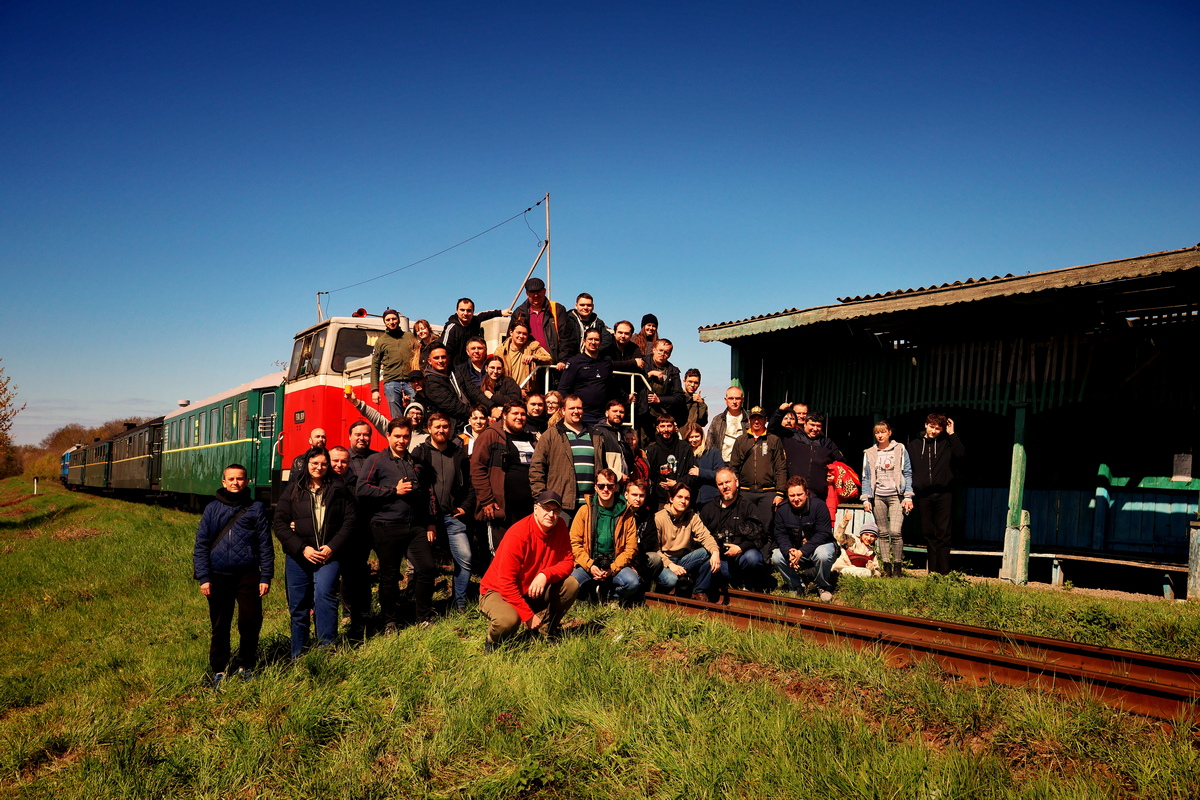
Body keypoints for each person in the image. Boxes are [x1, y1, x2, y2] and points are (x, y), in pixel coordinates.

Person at [193, 464, 273, 686]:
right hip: (218, 575)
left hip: (248, 575)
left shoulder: (256, 508)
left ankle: (245, 664)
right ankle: (219, 669)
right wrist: (204, 577)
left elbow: (265, 544)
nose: (235, 482)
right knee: (220, 625)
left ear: (247, 481)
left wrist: (266, 576)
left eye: (240, 479)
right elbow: (201, 544)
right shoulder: (212, 509)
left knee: (250, 622)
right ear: (224, 482)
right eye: (231, 479)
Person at [356, 419, 438, 632]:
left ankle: (423, 617)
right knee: (389, 575)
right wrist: (394, 491)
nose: (402, 440)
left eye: (406, 436)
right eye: (397, 436)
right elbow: (362, 489)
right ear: (388, 436)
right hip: (386, 526)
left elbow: (428, 494)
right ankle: (390, 621)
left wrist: (430, 522)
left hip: (415, 526)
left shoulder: (417, 464)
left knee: (427, 568)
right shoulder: (376, 460)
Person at [274, 450, 356, 658]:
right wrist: (302, 548)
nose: (319, 467)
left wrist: (332, 547)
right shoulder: (294, 488)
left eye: (323, 464)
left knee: (324, 596)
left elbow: (350, 520)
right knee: (299, 605)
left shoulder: (338, 488)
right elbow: (279, 523)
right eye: (314, 463)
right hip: (299, 556)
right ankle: (298, 653)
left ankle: (326, 650)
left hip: (328, 556)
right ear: (307, 464)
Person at [478, 490, 579, 649]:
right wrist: (528, 616)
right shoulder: (518, 534)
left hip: (531, 589)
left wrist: (545, 575)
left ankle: (547, 631)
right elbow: (506, 583)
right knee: (508, 620)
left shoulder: (559, 526)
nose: (551, 514)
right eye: (546, 509)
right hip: (498, 591)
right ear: (535, 509)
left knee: (571, 584)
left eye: (555, 510)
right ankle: (493, 641)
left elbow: (568, 561)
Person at [412, 413, 476, 611]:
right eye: (437, 426)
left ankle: (459, 603)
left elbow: (471, 484)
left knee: (465, 559)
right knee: (424, 565)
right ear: (429, 429)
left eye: (445, 426)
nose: (441, 430)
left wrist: (465, 506)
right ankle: (422, 605)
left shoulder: (458, 454)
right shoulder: (419, 453)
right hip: (426, 519)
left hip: (452, 517)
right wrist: (426, 518)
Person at [471, 402, 537, 552]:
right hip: (500, 509)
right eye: (515, 413)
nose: (519, 417)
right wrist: (487, 499)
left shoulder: (530, 438)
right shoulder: (490, 435)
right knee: (501, 553)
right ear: (505, 415)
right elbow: (477, 469)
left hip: (526, 509)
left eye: (523, 414)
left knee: (523, 552)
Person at [569, 468, 641, 603]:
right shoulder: (585, 511)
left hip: (615, 565)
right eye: (601, 486)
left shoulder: (627, 514)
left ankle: (611, 597)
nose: (605, 489)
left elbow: (631, 548)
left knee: (632, 583)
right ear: (596, 487)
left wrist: (612, 568)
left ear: (616, 487)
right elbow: (574, 543)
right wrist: (590, 565)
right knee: (570, 583)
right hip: (589, 563)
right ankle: (589, 595)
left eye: (610, 486)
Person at [529, 395, 599, 527]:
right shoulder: (550, 435)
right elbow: (536, 468)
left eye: (579, 408)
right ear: (562, 410)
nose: (576, 411)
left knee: (586, 540)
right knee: (560, 538)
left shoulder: (595, 435)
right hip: (561, 504)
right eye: (572, 408)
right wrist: (542, 497)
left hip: (590, 504)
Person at [908, 413, 965, 576]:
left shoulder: (946, 443)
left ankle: (944, 572)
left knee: (944, 533)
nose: (934, 431)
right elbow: (907, 469)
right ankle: (932, 572)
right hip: (923, 495)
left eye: (938, 428)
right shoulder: (914, 445)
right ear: (926, 425)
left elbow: (961, 454)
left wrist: (952, 433)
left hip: (944, 494)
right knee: (929, 533)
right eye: (932, 427)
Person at [700, 467, 769, 589]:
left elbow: (760, 535)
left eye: (728, 482)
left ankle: (748, 584)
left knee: (753, 558)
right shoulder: (708, 509)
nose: (725, 487)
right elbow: (700, 536)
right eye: (720, 484)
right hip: (719, 559)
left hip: (741, 557)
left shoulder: (748, 507)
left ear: (736, 482)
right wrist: (714, 551)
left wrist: (740, 548)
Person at [771, 476, 837, 602]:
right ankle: (796, 585)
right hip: (796, 550)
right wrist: (789, 551)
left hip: (817, 548)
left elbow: (824, 533)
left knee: (823, 554)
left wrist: (802, 551)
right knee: (777, 556)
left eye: (799, 494)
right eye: (792, 495)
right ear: (787, 495)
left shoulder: (819, 506)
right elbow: (780, 535)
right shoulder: (782, 510)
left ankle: (822, 586)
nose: (796, 499)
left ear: (806, 492)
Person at [861, 420, 913, 577]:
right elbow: (866, 477)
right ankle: (887, 567)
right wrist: (866, 499)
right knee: (883, 533)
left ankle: (898, 566)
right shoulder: (870, 452)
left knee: (895, 531)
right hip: (878, 496)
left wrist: (908, 496)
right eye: (877, 432)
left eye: (883, 432)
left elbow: (907, 472)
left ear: (889, 433)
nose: (880, 435)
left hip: (896, 495)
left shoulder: (900, 449)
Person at [653, 484, 722, 601]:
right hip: (664, 561)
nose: (683, 501)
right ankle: (665, 589)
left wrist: (715, 552)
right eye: (679, 497)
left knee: (708, 552)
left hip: (683, 559)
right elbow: (654, 550)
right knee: (671, 580)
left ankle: (699, 591)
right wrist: (670, 565)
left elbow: (706, 536)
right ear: (671, 498)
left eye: (687, 498)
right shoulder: (659, 518)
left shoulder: (692, 517)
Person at [726, 406, 787, 535]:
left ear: (765, 420)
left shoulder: (774, 440)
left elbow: (781, 468)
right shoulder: (741, 440)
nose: (757, 421)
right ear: (750, 420)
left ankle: (765, 549)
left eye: (760, 418)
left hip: (768, 492)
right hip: (745, 492)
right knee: (745, 528)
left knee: (766, 529)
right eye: (754, 418)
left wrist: (780, 493)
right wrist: (735, 490)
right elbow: (734, 467)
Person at [773, 410, 845, 507]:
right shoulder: (792, 436)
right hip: (793, 494)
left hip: (818, 496)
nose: (815, 429)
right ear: (805, 423)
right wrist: (780, 411)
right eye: (812, 425)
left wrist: (834, 475)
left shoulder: (828, 444)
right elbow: (772, 428)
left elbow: (842, 464)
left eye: (818, 426)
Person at [509, 277, 578, 376]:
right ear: (527, 294)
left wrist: (563, 360)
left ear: (544, 291)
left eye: (538, 292)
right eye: (532, 292)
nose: (536, 295)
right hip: (528, 368)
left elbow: (567, 338)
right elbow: (510, 339)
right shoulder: (519, 313)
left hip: (555, 367)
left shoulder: (557, 309)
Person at [559, 329, 614, 424]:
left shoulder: (607, 361)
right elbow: (563, 389)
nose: (593, 342)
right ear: (584, 341)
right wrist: (573, 408)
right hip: (582, 414)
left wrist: (626, 397)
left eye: (596, 339)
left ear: (600, 342)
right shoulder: (575, 362)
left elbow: (612, 385)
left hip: (602, 415)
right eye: (590, 339)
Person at [370, 309, 416, 420]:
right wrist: (375, 390)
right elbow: (375, 366)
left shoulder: (409, 336)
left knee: (416, 413)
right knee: (397, 418)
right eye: (388, 320)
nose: (391, 322)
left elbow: (418, 356)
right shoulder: (381, 341)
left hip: (410, 381)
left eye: (394, 319)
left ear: (398, 320)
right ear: (384, 322)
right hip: (391, 383)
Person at [644, 414, 695, 510]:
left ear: (674, 427)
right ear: (657, 428)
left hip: (681, 498)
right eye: (662, 426)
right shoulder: (651, 450)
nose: (666, 429)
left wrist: (677, 483)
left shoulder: (685, 448)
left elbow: (693, 474)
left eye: (669, 426)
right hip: (658, 501)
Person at [441, 297, 509, 367]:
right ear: (457, 311)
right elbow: (443, 351)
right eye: (462, 310)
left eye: (469, 310)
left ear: (473, 311)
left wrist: (500, 312)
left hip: (470, 368)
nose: (465, 313)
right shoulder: (452, 328)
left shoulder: (475, 321)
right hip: (455, 368)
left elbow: (484, 315)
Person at [637, 339, 687, 436]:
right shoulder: (641, 362)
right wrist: (649, 374)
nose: (662, 354)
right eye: (660, 350)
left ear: (669, 355)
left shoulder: (673, 371)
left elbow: (679, 397)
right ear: (654, 349)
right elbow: (633, 382)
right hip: (640, 413)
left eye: (666, 352)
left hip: (661, 417)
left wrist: (660, 400)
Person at [422, 344, 473, 426]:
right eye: (436, 358)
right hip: (450, 424)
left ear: (448, 358)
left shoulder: (455, 370)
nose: (440, 360)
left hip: (469, 416)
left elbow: (473, 390)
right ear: (429, 361)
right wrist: (476, 413)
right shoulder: (430, 382)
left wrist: (491, 407)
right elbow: (453, 407)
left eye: (443, 357)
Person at [500, 320, 553, 392]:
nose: (521, 336)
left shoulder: (532, 346)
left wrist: (534, 357)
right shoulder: (501, 350)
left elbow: (549, 359)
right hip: (507, 392)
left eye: (524, 334)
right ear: (511, 332)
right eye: (518, 332)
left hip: (527, 392)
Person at [682, 421, 723, 506]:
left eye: (697, 436)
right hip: (689, 500)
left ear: (702, 436)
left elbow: (721, 474)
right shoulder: (684, 454)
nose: (694, 440)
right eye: (691, 437)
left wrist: (701, 472)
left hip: (710, 499)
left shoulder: (712, 452)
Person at [593, 399, 634, 483]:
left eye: (621, 412)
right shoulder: (599, 432)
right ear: (606, 413)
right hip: (607, 484)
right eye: (614, 411)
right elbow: (598, 460)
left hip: (621, 484)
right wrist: (618, 476)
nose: (618, 414)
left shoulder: (621, 434)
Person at [705, 385, 747, 463]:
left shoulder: (750, 420)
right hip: (722, 463)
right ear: (725, 400)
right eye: (731, 398)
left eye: (737, 398)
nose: (734, 402)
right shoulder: (717, 420)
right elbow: (709, 443)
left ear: (742, 399)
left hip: (743, 465)